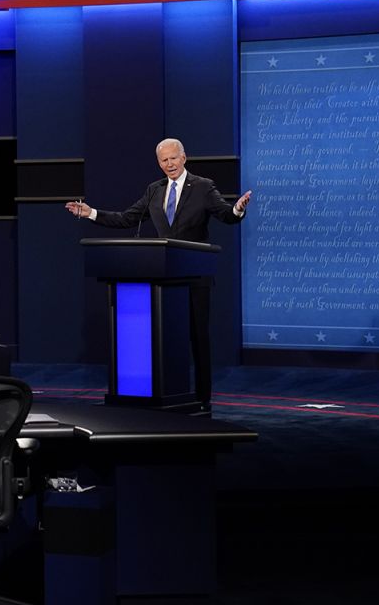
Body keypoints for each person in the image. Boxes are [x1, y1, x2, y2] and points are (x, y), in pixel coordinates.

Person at [65, 138, 253, 410]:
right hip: (163, 281)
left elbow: (226, 214)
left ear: (184, 158)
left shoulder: (202, 187)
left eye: (173, 158)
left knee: (198, 339)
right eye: (164, 160)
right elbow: (127, 218)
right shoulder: (154, 190)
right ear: (159, 163)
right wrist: (91, 212)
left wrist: (238, 208)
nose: (169, 164)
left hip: (194, 277)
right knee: (166, 340)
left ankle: (203, 400)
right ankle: (167, 396)